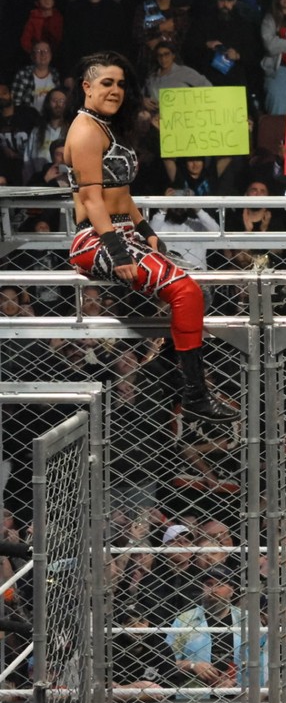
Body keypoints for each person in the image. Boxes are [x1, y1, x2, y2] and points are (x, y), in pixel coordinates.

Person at [64, 51, 235, 425]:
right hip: (96, 240)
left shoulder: (104, 127)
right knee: (185, 291)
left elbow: (122, 194)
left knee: (199, 290)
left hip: (124, 233)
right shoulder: (84, 131)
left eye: (121, 84)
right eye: (107, 83)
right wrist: (118, 250)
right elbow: (92, 199)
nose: (116, 90)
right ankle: (194, 394)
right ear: (86, 86)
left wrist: (147, 232)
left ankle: (173, 377)